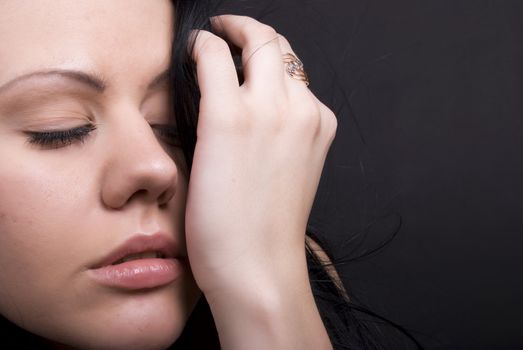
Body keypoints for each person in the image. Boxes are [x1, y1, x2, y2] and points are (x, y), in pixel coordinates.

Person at [0, 1, 420, 349]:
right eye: (58, 129)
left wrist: (265, 285)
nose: (157, 167)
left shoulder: (280, 276)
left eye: (169, 122)